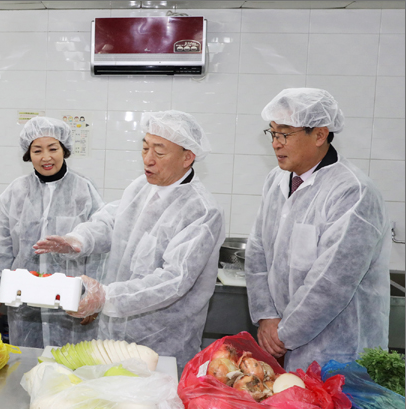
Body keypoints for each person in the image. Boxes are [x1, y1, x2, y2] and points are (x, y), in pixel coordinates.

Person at [34, 110, 226, 374]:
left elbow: (174, 280)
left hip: (161, 343)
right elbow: (112, 222)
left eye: (159, 152)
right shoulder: (141, 187)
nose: (148, 159)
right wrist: (78, 239)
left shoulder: (201, 211)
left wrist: (106, 296)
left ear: (187, 157)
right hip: (114, 335)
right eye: (145, 148)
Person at [245, 88, 391, 372]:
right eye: (272, 133)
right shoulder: (276, 180)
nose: (275, 144)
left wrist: (283, 335)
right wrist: (266, 316)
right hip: (279, 344)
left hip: (337, 355)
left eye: (285, 134)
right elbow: (258, 250)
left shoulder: (353, 191)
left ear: (320, 134)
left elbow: (331, 283)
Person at [0, 116, 105, 348]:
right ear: (28, 154)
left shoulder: (84, 190)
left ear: (65, 150)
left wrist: (94, 297)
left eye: (53, 148)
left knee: (69, 369)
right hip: (24, 303)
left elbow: (100, 248)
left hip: (71, 302)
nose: (46, 157)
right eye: (37, 150)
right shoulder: (15, 193)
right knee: (27, 367)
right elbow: (4, 247)